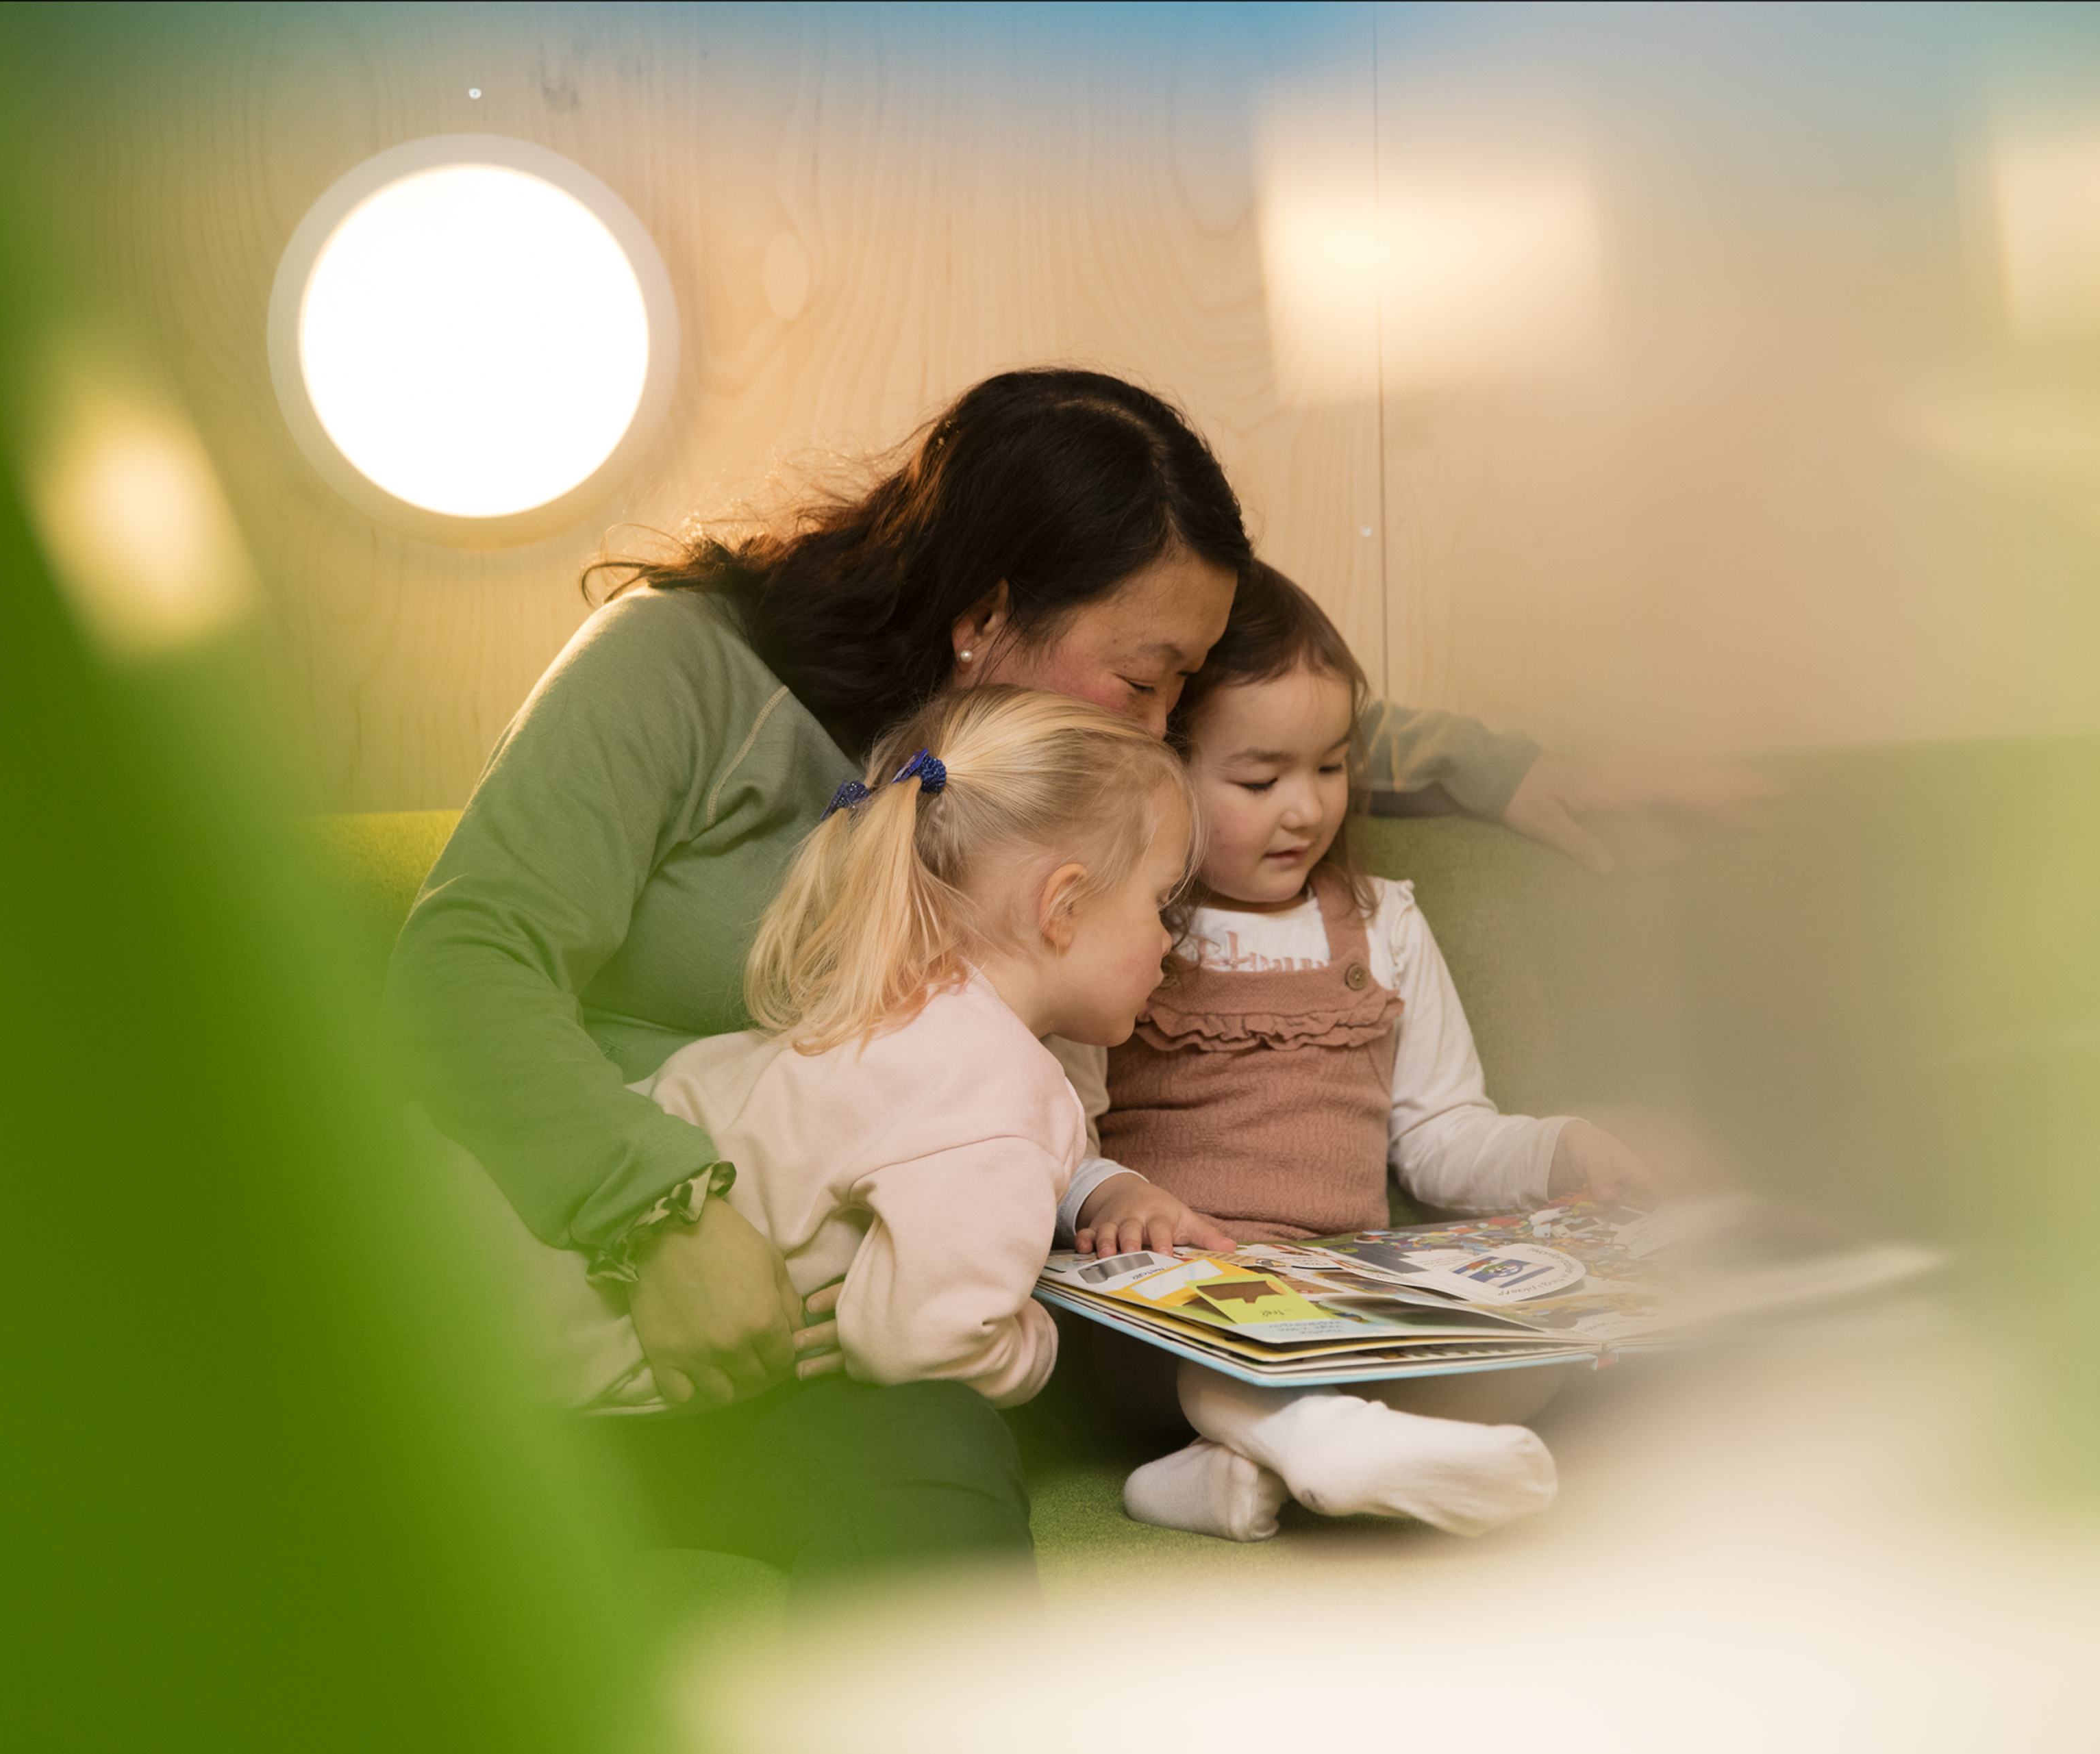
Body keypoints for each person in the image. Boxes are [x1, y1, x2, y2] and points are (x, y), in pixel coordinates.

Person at [384, 369, 1668, 1578]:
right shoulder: (676, 669)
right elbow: (463, 968)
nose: (1162, 731)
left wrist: (1500, 766)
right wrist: (657, 1218)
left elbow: (1273, 730)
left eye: (1182, 687)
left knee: (945, 1466)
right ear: (987, 614)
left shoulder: (1040, 764)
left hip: (853, 1345)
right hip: (587, 1287)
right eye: (1146, 681)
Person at [442, 688, 1193, 1581]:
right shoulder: (999, 1092)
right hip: (519, 1359)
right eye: (1162, 906)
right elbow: (918, 1339)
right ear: (1062, 907)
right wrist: (1036, 1338)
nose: (1171, 946)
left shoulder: (895, 1010)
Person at [1084, 563, 1666, 1542]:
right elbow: (1048, 1123)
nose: (1306, 809)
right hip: (1172, 1312)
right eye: (1259, 779)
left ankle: (1224, 1478)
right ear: (1161, 771)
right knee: (1227, 1348)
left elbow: (1443, 1134)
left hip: (1345, 1309)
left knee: (1537, 1361)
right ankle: (1318, 1443)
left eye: (1331, 766)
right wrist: (1108, 1195)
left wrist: (1563, 1148)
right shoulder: (1122, 930)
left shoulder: (1383, 921)